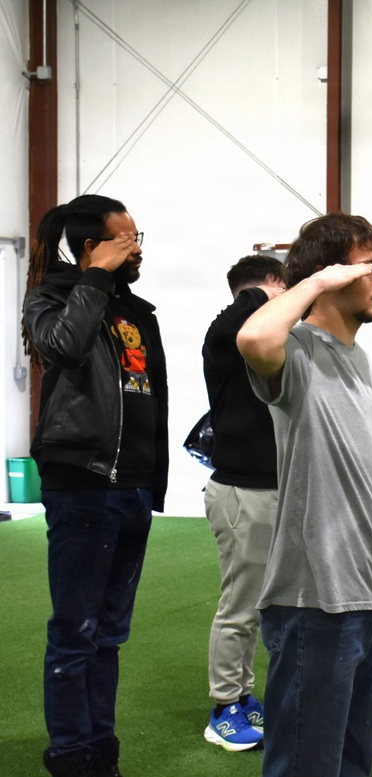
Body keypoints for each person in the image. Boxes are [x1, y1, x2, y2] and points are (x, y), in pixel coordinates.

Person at [236, 212, 372, 777]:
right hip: (314, 598)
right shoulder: (297, 348)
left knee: (351, 763)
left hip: (367, 596)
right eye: (369, 266)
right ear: (331, 274)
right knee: (306, 765)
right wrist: (316, 280)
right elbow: (253, 336)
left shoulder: (366, 363)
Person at [22, 194, 168, 777]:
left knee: (107, 635)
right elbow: (63, 346)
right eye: (127, 239)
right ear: (93, 247)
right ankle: (70, 755)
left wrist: (153, 479)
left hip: (132, 488)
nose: (138, 249)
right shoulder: (53, 298)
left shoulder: (136, 310)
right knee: (75, 632)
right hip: (83, 485)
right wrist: (94, 280)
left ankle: (100, 752)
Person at [201, 255, 287, 751]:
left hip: (272, 490)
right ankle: (223, 708)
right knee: (239, 608)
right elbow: (233, 318)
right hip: (242, 493)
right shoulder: (226, 334)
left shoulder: (262, 341)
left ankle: (243, 695)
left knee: (260, 607)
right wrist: (263, 293)